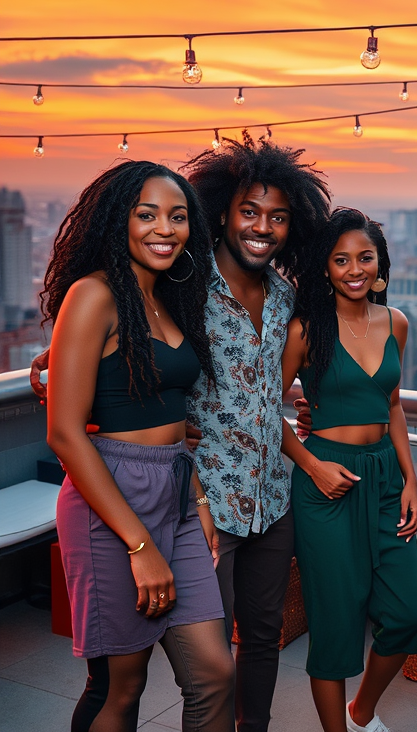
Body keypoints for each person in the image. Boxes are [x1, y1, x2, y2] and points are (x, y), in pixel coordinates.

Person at [45, 161, 234, 732]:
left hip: (175, 488)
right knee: (120, 689)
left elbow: (174, 417)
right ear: (117, 219)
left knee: (214, 674)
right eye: (146, 214)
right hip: (112, 502)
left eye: (177, 217)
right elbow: (63, 431)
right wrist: (139, 545)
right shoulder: (94, 294)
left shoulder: (170, 297)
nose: (164, 229)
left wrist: (197, 500)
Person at [179, 135, 330, 732]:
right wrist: (56, 363)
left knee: (264, 638)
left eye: (277, 217)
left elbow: (273, 389)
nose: (262, 227)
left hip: (273, 498)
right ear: (221, 212)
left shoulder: (286, 296)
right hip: (205, 501)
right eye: (250, 211)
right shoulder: (186, 286)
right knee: (209, 657)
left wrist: (304, 410)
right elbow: (124, 336)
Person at [281, 208, 417, 732]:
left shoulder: (397, 323)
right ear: (326, 268)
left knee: (408, 616)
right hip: (325, 483)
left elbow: (393, 406)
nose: (354, 268)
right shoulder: (305, 329)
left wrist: (411, 480)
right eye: (341, 260)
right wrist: (313, 465)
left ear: (380, 264)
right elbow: (261, 409)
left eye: (364, 257)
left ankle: (361, 711)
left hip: (386, 478)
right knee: (336, 625)